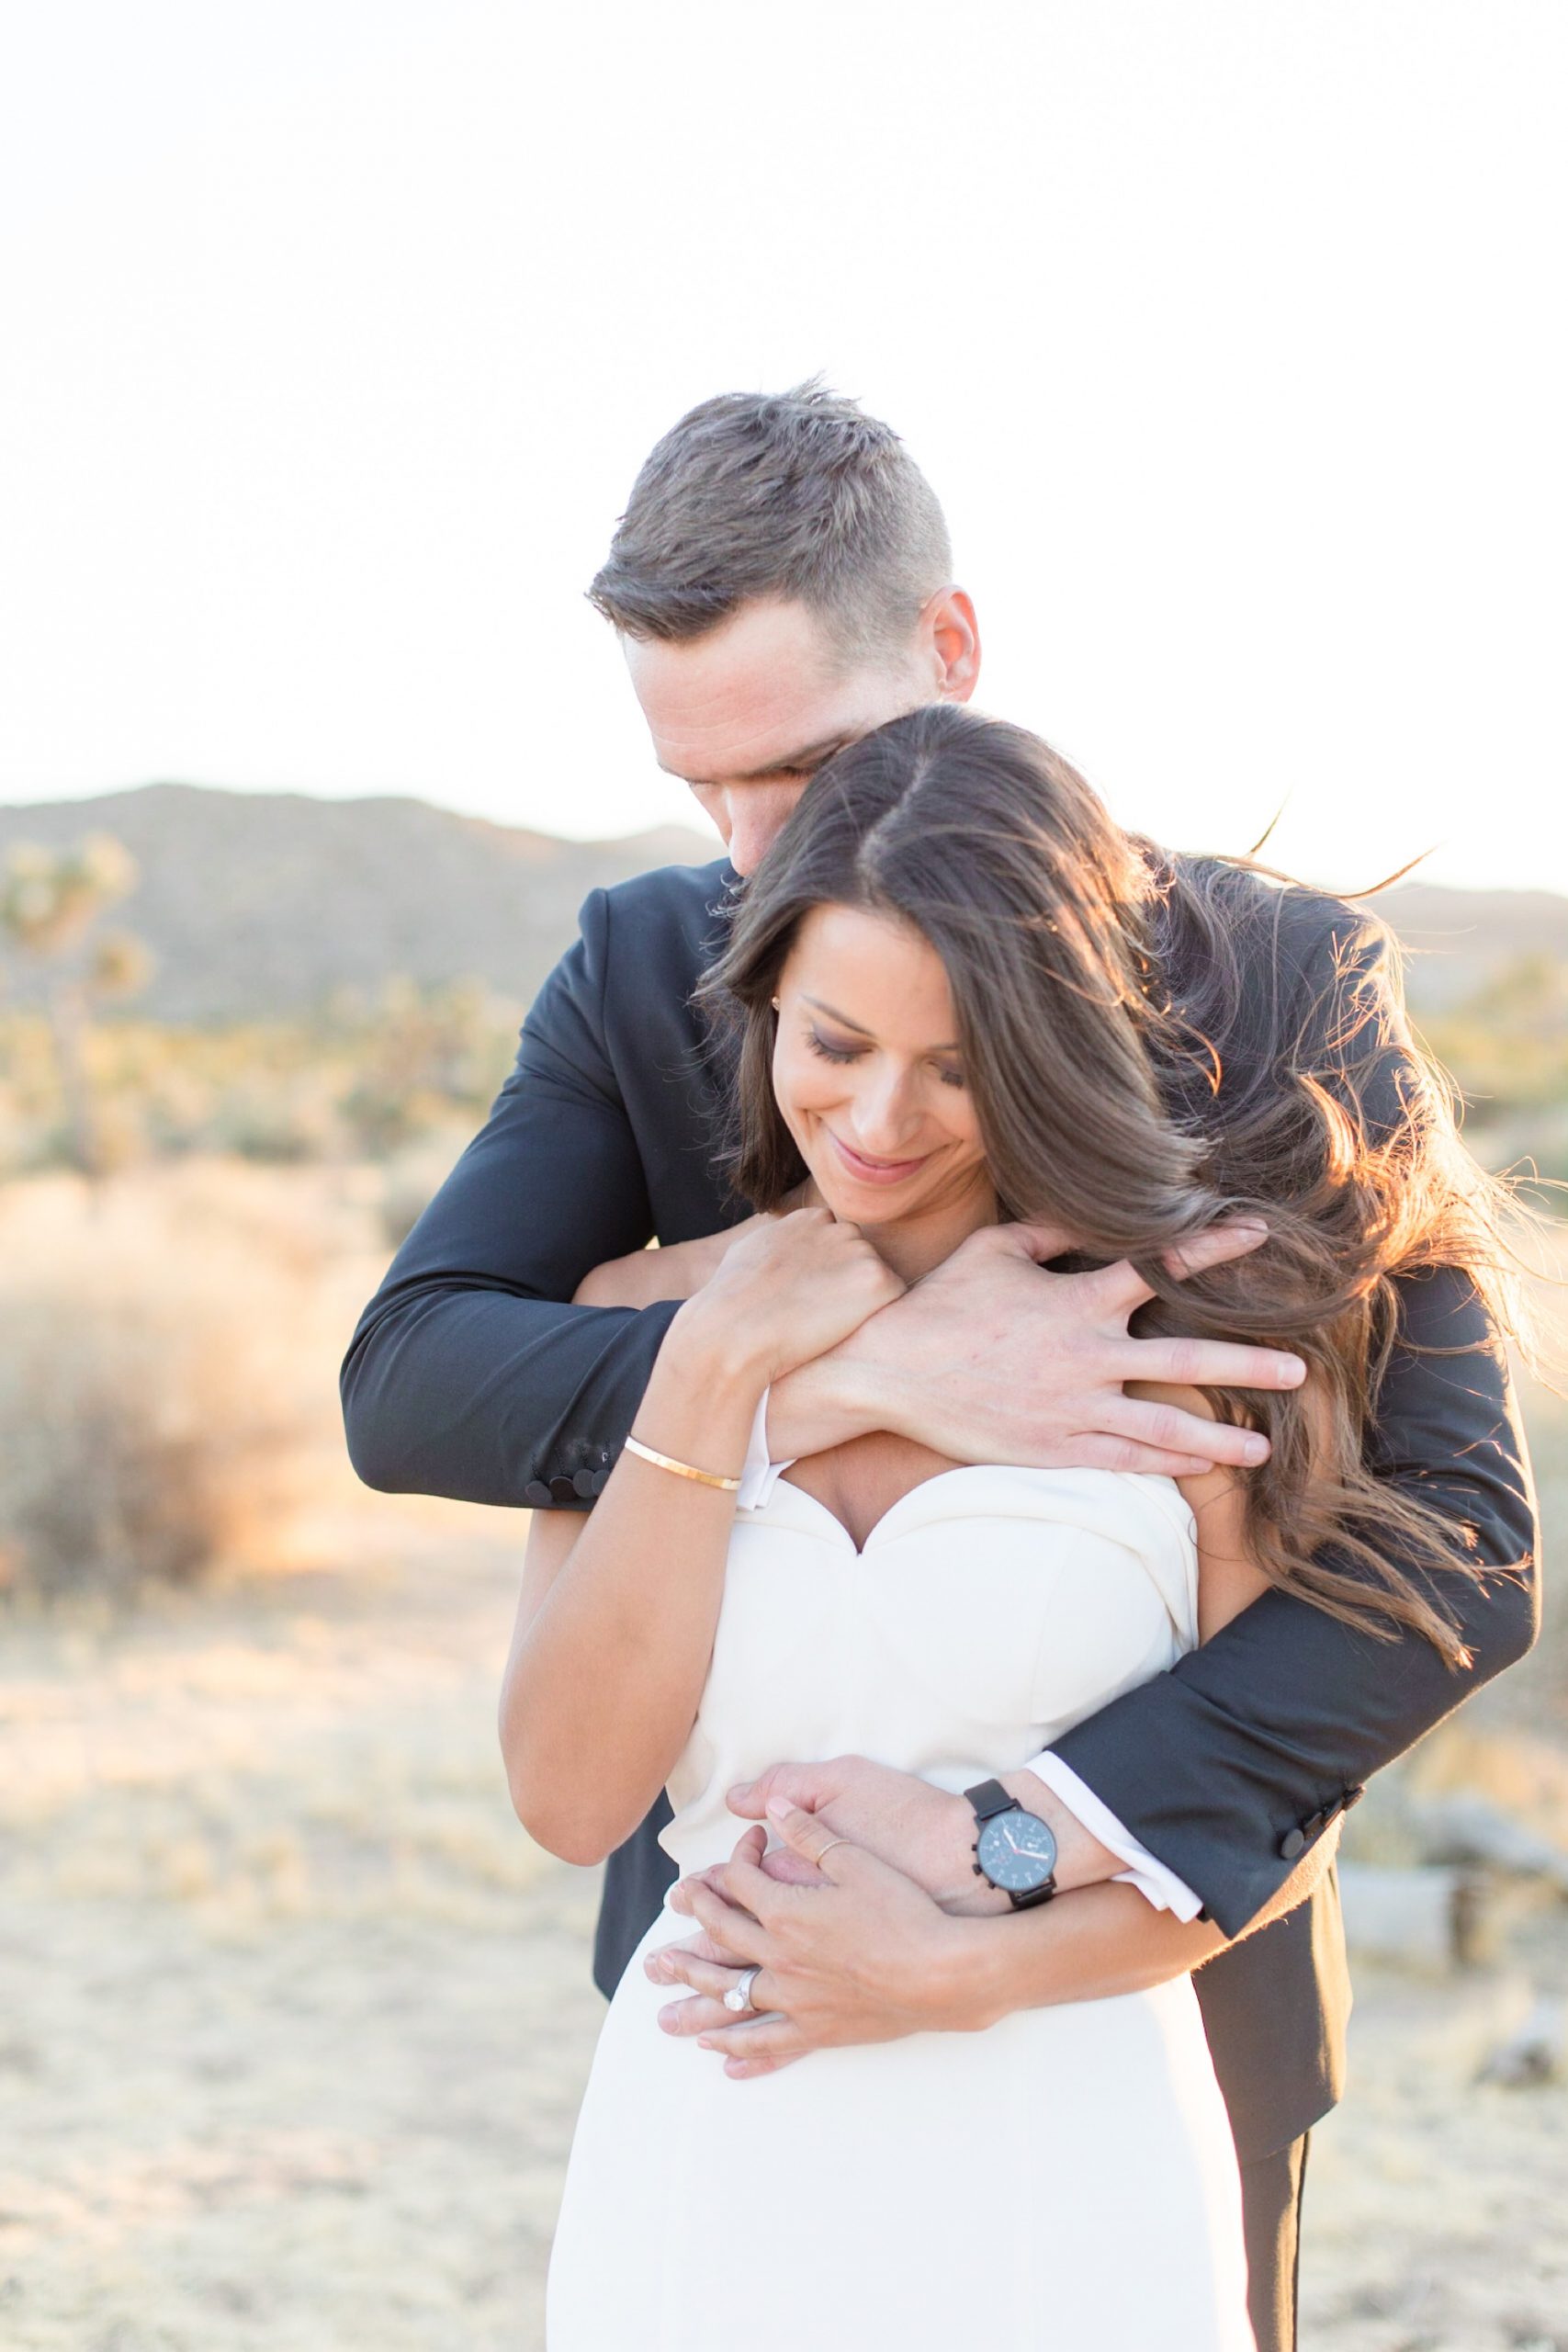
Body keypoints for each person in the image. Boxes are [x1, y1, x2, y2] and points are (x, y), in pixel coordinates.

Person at [341, 386, 1538, 2352]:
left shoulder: (1273, 980)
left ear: (952, 653)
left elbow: (1457, 1550)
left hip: (1141, 2005)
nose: (750, 851)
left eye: (799, 766)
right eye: (698, 783)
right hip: (737, 2002)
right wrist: (859, 1368)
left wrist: (1009, 1857)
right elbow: (411, 1380)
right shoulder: (651, 962)